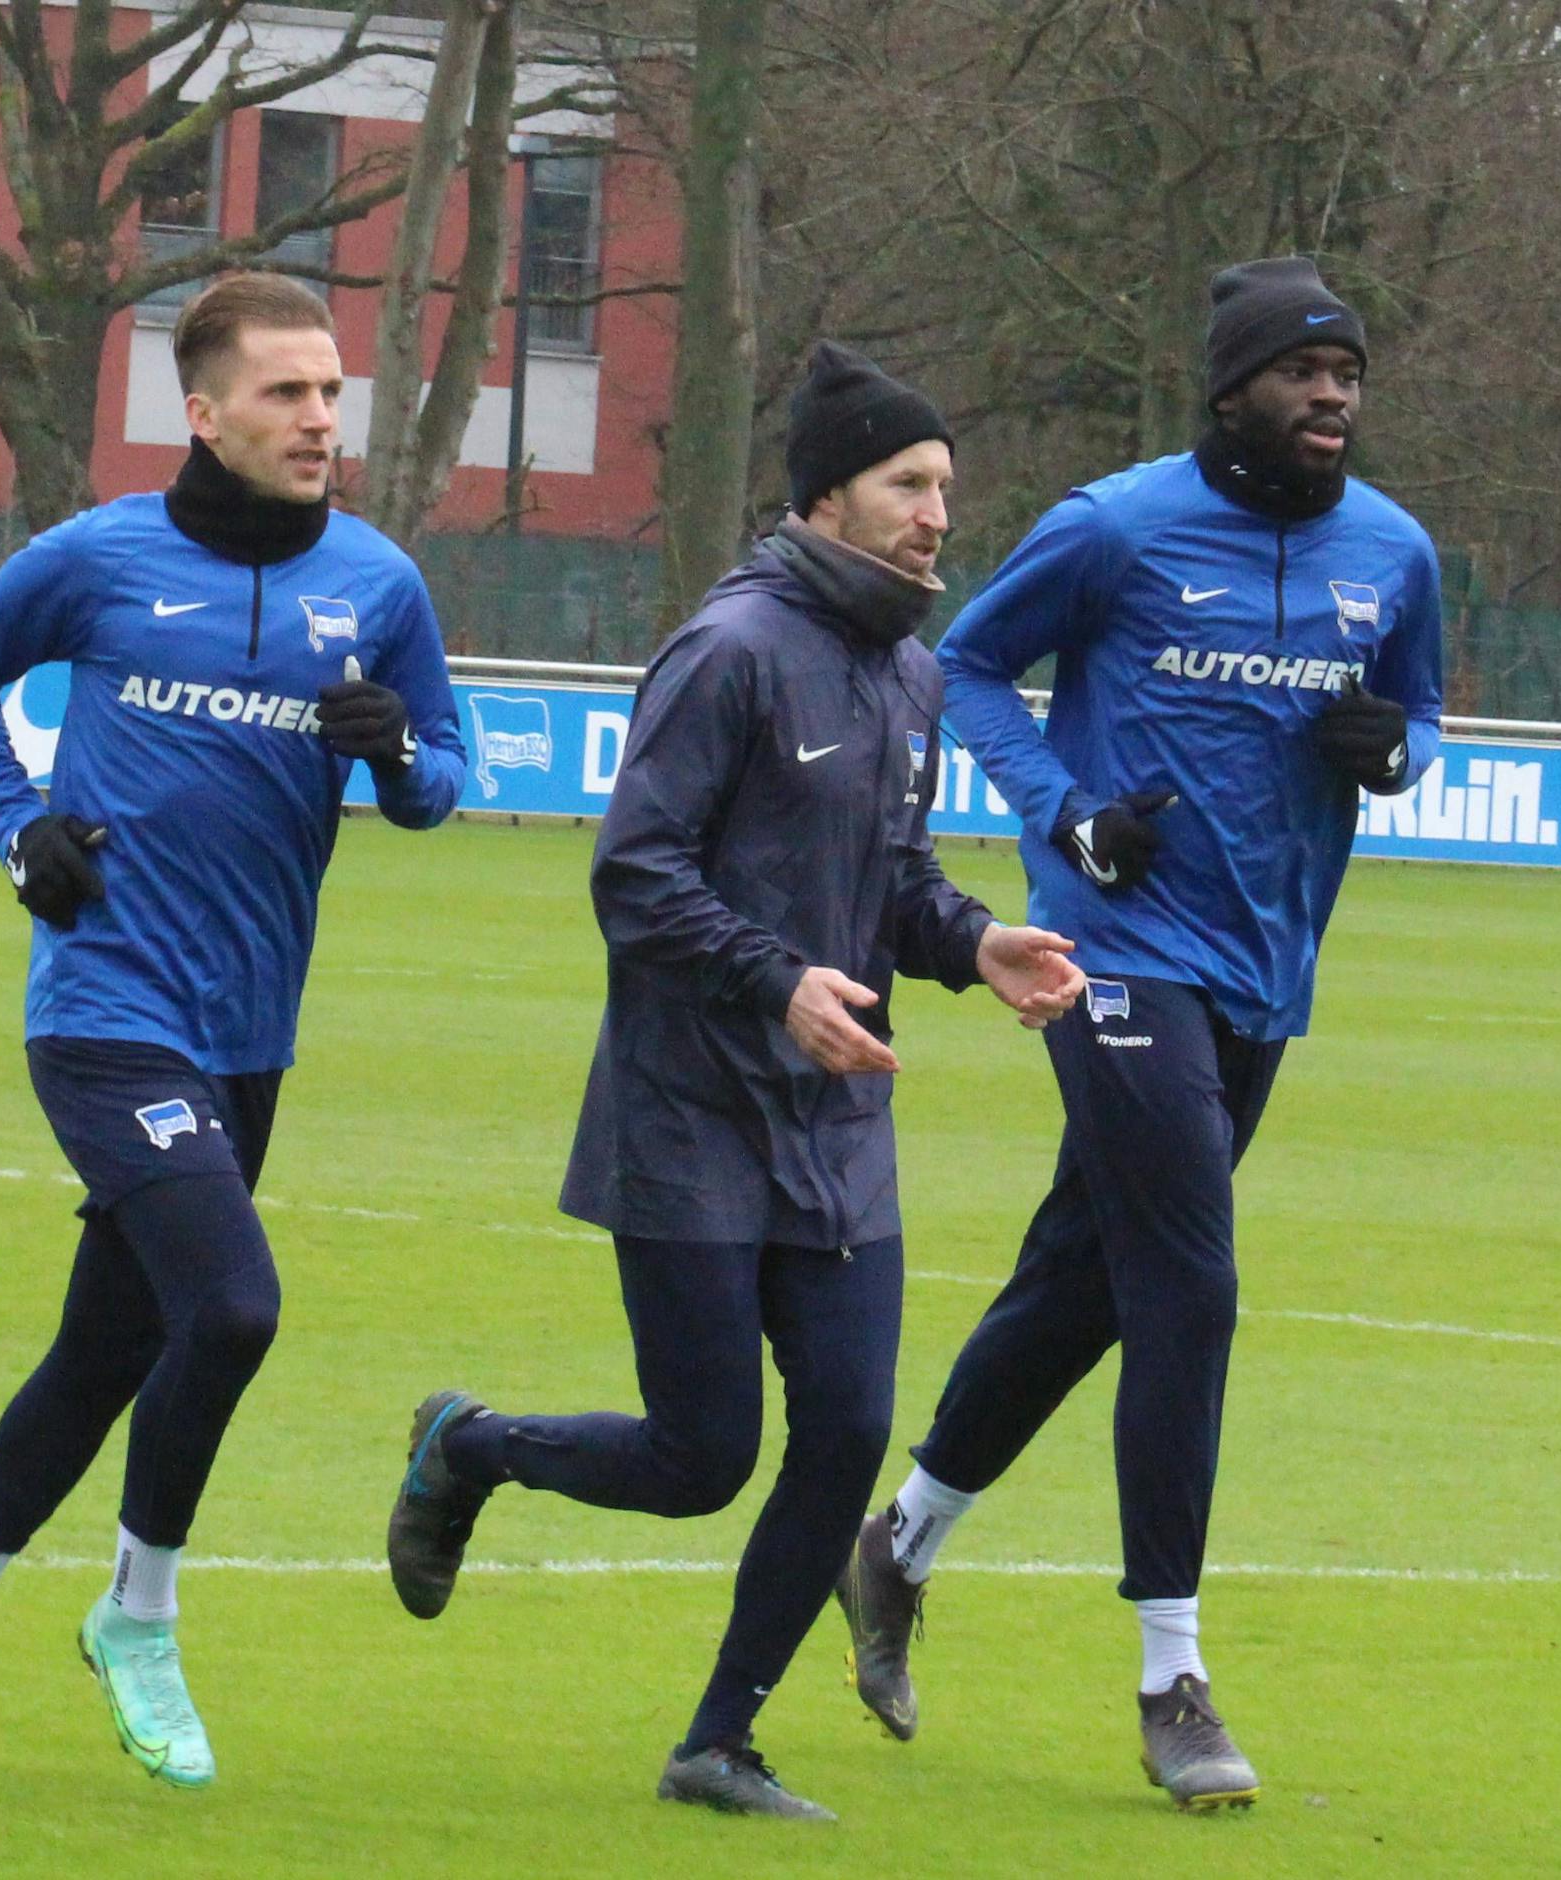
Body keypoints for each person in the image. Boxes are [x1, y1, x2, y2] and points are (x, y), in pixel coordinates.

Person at [383, 342, 1086, 1823]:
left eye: (947, 486)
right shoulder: (731, 650)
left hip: (836, 1121)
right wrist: (777, 982)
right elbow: (633, 876)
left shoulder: (910, 669)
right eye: (909, 483)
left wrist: (976, 946)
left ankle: (719, 1741)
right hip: (690, 1108)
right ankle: (471, 1448)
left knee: (843, 1433)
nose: (937, 513)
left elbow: (890, 882)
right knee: (705, 1456)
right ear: (828, 492)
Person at [833, 256, 1445, 1810]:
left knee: (1083, 1279)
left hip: (1262, 970)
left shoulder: (1397, 551)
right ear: (1230, 390)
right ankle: (1173, 1674)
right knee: (1191, 1279)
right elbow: (965, 663)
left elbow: (1419, 714)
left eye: (1349, 374)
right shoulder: (1116, 526)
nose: (1333, 396)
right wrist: (1067, 820)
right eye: (1303, 373)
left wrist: (1396, 749)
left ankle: (896, 1545)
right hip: (1113, 954)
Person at [0, 272, 466, 1785]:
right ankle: (140, 1611)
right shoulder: (100, 557)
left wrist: (398, 759)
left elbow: (446, 777)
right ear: (201, 413)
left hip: (250, 1034)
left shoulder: (379, 585)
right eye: (286, 393)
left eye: (333, 392)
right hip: (106, 1008)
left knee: (104, 1351)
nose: (320, 418)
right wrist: (18, 828)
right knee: (235, 1309)